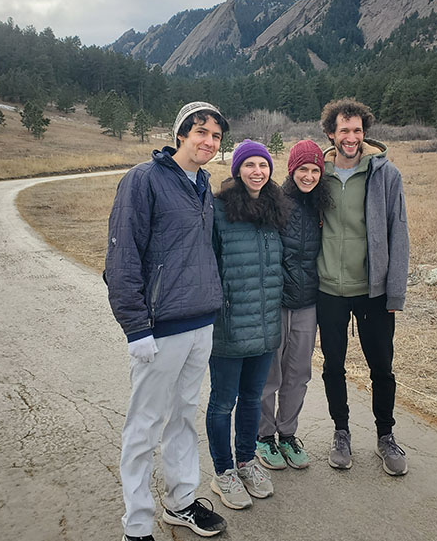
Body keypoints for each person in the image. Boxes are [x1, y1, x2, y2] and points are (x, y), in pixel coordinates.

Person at [105, 101, 229, 541]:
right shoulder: (144, 180)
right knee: (144, 427)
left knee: (182, 418)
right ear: (180, 134)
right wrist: (136, 328)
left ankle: (180, 503)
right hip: (160, 329)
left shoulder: (202, 185)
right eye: (200, 132)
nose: (208, 141)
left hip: (200, 324)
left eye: (215, 136)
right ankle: (137, 526)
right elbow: (122, 259)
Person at [315, 98, 410, 476]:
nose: (351, 137)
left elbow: (398, 233)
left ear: (364, 133)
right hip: (327, 289)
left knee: (382, 368)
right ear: (331, 134)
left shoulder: (386, 175)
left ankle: (386, 436)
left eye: (357, 131)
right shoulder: (315, 174)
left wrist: (394, 292)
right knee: (332, 366)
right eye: (344, 131)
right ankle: (341, 432)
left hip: (373, 290)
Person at [206, 139, 290, 509]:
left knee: (253, 399)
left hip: (266, 323)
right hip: (228, 325)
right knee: (224, 402)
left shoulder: (275, 209)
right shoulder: (220, 210)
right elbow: (207, 265)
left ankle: (245, 462)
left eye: (264, 164)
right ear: (237, 169)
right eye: (250, 164)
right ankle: (222, 472)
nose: (258, 171)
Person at [256, 140, 332, 470]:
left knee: (298, 373)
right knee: (269, 373)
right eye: (303, 169)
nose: (309, 175)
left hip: (308, 303)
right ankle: (263, 437)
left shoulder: (323, 205)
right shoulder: (275, 201)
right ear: (292, 170)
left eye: (315, 170)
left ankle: (287, 434)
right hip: (275, 302)